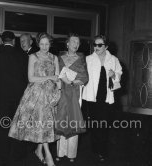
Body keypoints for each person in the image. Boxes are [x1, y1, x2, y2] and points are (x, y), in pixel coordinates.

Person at [8, 32, 61, 166]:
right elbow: (31, 78)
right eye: (42, 44)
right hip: (35, 94)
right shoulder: (33, 56)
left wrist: (59, 92)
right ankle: (48, 155)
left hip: (50, 95)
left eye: (47, 44)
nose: (44, 46)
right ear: (38, 44)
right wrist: (49, 78)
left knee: (46, 126)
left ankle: (39, 150)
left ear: (50, 44)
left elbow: (58, 78)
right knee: (41, 124)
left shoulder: (54, 57)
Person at [82, 35, 122, 162]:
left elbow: (119, 74)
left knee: (103, 124)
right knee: (94, 124)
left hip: (106, 97)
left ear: (106, 46)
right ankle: (95, 148)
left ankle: (102, 151)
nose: (97, 47)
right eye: (95, 44)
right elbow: (82, 75)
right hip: (92, 96)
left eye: (100, 45)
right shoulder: (88, 59)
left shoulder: (113, 59)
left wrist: (114, 74)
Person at [0, 31, 28, 166]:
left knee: (3, 125)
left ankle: (3, 155)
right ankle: (17, 155)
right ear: (13, 41)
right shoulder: (23, 56)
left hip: (2, 97)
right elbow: (26, 78)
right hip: (19, 97)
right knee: (17, 125)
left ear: (1, 40)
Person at [55, 33, 88, 162]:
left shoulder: (81, 58)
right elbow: (55, 74)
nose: (76, 44)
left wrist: (72, 82)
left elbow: (85, 77)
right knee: (61, 119)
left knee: (73, 120)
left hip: (75, 93)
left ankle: (71, 154)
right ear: (67, 43)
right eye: (73, 42)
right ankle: (59, 152)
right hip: (62, 92)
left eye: (78, 42)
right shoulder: (59, 58)